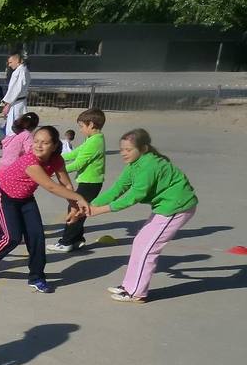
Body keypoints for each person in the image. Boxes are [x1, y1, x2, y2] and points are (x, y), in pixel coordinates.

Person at [0, 125, 90, 293]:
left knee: (37, 237)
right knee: (12, 237)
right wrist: (79, 198)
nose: (39, 146)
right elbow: (51, 186)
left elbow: (66, 185)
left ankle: (37, 277)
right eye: (36, 141)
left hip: (26, 199)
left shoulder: (57, 160)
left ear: (55, 145)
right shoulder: (30, 161)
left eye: (45, 143)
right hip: (4, 195)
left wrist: (74, 206)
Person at [82, 128, 198, 303]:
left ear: (143, 149)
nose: (123, 153)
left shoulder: (149, 166)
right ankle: (129, 286)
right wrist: (90, 205)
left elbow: (133, 196)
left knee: (148, 249)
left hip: (177, 207)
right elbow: (117, 189)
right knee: (140, 242)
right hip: (165, 207)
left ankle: (137, 293)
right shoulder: (134, 164)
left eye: (128, 150)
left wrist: (100, 210)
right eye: (122, 149)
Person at [52, 109, 106, 252]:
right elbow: (76, 153)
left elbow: (78, 164)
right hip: (88, 182)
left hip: (90, 183)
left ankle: (66, 242)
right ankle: (77, 240)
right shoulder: (92, 139)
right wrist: (55, 159)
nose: (80, 130)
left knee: (74, 210)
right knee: (80, 210)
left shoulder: (95, 142)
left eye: (82, 126)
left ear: (91, 125)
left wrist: (55, 169)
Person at [0, 112, 41, 240]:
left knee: (8, 203)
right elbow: (31, 153)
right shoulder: (27, 135)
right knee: (13, 204)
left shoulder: (14, 135)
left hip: (2, 169)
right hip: (12, 173)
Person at [2, 52, 30, 136]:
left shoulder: (19, 71)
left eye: (10, 62)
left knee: (13, 128)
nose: (9, 65)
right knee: (19, 125)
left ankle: (14, 142)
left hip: (16, 103)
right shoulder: (24, 70)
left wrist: (7, 103)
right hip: (19, 102)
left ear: (17, 61)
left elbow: (16, 89)